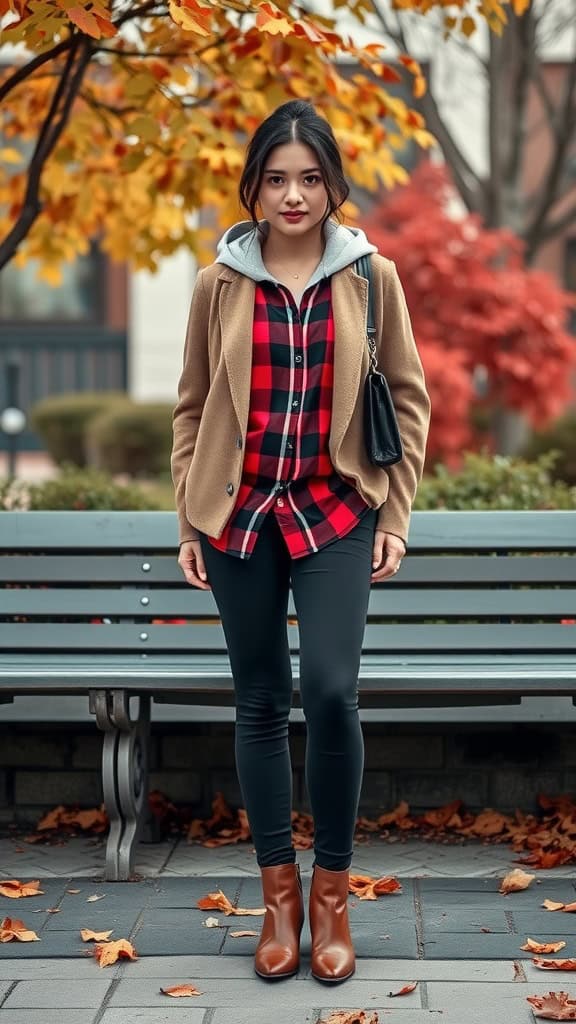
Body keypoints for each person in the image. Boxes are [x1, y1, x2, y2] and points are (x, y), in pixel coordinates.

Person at [171, 99, 431, 985]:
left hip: (335, 513)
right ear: (255, 185)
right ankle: (276, 899)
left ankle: (331, 897)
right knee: (257, 699)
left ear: (331, 184)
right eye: (277, 178)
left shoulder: (370, 277)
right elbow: (193, 405)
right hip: (241, 516)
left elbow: (408, 395)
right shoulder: (220, 281)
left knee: (328, 691)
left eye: (309, 178)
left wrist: (392, 516)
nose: (293, 195)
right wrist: (191, 516)